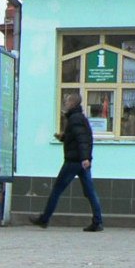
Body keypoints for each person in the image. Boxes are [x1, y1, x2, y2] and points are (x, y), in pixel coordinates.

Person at [31, 93, 103, 232]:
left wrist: (84, 158)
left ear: (72, 103)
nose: (65, 103)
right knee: (90, 192)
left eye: (67, 101)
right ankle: (97, 221)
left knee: (57, 190)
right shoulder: (79, 118)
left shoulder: (75, 119)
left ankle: (44, 219)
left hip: (74, 161)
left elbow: (82, 140)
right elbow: (79, 138)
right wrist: (64, 137)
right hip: (81, 161)